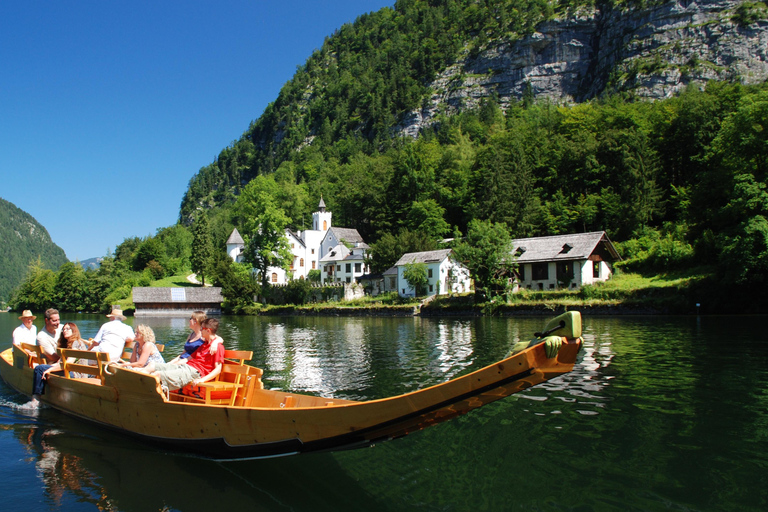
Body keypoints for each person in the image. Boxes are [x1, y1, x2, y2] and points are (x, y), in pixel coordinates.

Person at [143, 318, 225, 392]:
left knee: (157, 375)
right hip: (186, 367)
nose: (200, 330)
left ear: (208, 331)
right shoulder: (203, 345)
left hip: (194, 372)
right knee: (152, 366)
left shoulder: (218, 347)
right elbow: (187, 359)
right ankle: (134, 381)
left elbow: (218, 369)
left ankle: (145, 393)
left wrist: (203, 380)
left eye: (202, 329)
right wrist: (170, 364)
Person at [29, 322, 91, 407]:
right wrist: (49, 368)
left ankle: (36, 401)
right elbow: (59, 363)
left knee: (39, 369)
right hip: (69, 371)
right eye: (63, 329)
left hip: (77, 374)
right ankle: (37, 399)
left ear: (74, 330)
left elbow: (68, 363)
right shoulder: (67, 344)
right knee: (41, 368)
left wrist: (50, 369)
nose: (65, 331)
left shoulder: (76, 343)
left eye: (67, 329)